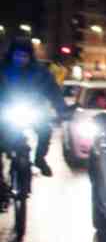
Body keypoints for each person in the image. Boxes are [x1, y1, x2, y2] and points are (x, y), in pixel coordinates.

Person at [0, 37, 61, 176]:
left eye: (24, 55)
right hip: (4, 113)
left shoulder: (40, 72)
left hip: (32, 111)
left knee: (45, 130)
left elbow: (53, 91)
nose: (20, 59)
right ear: (11, 54)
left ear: (30, 56)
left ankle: (40, 159)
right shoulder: (2, 69)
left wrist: (62, 110)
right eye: (17, 55)